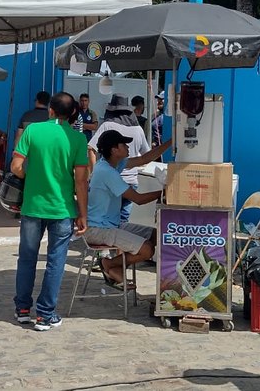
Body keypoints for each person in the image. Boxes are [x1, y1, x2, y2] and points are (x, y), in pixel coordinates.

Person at [11, 92, 90, 331]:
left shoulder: (32, 130)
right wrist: (83, 213)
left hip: (33, 206)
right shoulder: (78, 139)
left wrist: (32, 176)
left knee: (27, 258)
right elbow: (80, 181)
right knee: (56, 261)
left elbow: (16, 167)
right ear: (72, 113)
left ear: (51, 110)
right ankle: (45, 315)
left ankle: (23, 309)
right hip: (62, 208)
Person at [86, 130, 166, 287]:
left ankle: (115, 267)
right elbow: (139, 199)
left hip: (111, 225)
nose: (128, 147)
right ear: (114, 150)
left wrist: (171, 143)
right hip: (98, 230)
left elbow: (145, 158)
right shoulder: (107, 172)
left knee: (156, 236)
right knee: (146, 250)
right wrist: (165, 192)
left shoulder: (112, 164)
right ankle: (109, 264)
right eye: (124, 144)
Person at [88, 94, 152, 224]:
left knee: (108, 218)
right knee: (122, 222)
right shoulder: (138, 128)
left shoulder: (107, 126)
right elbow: (145, 156)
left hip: (109, 184)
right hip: (131, 180)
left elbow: (91, 148)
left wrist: (94, 174)